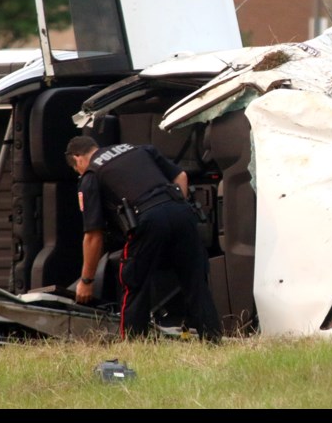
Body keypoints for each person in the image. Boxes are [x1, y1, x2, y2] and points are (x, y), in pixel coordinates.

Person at [64, 135, 222, 342]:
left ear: (77, 159)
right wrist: (175, 207)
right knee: (195, 281)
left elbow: (93, 235)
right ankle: (212, 339)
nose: (79, 173)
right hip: (182, 213)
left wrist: (86, 281)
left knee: (133, 283)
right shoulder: (138, 149)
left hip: (148, 220)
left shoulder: (91, 174)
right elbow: (181, 176)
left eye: (77, 170)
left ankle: (134, 343)